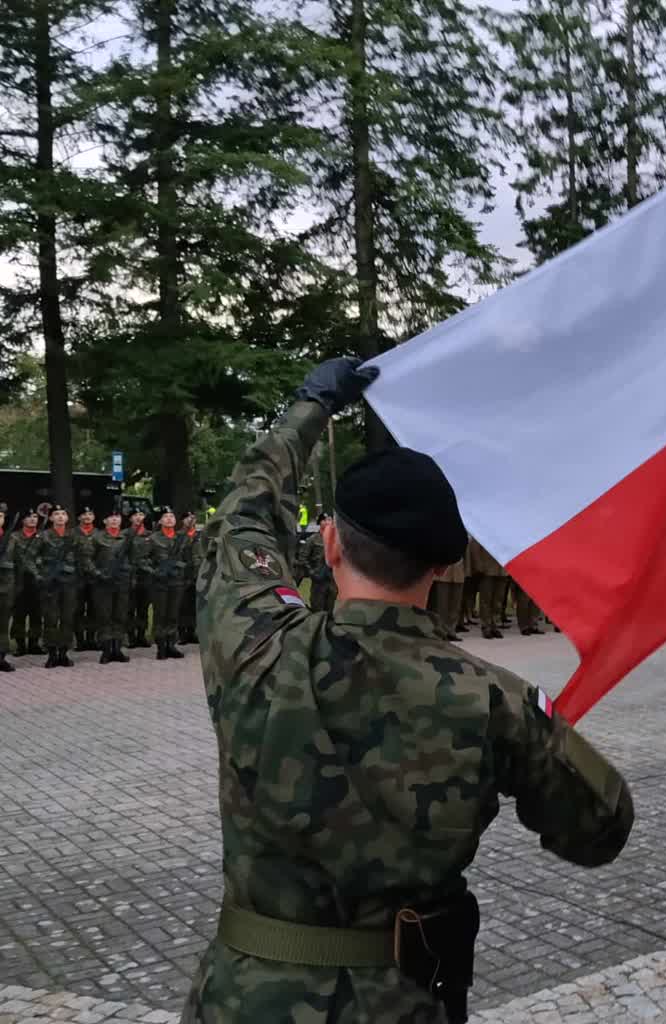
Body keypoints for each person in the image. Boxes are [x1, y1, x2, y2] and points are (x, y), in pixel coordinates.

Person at [183, 358, 633, 1023]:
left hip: (245, 1002)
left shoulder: (255, 646)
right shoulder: (491, 701)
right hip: (401, 1004)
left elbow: (244, 517)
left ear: (330, 543)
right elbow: (599, 830)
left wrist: (311, 406)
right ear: (447, 563)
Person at [34, 505, 81, 667]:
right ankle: (52, 653)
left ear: (67, 518)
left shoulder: (74, 536)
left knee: (67, 618)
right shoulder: (44, 535)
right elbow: (33, 556)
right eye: (56, 514)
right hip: (50, 583)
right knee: (51, 618)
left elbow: (83, 557)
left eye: (63, 514)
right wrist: (40, 573)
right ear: (51, 518)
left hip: (69, 582)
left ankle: (64, 652)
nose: (60, 517)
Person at [85, 509, 133, 664]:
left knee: (120, 615)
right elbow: (87, 559)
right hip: (103, 583)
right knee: (104, 616)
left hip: (122, 582)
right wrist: (98, 574)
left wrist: (129, 573)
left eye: (117, 517)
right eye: (110, 517)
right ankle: (106, 650)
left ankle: (117, 649)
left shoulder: (127, 537)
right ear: (104, 521)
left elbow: (134, 559)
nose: (114, 520)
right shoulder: (96, 538)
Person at [145, 508, 188, 660]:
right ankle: (161, 647)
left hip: (176, 581)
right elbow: (143, 559)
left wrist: (180, 566)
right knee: (160, 614)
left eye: (172, 516)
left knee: (173, 614)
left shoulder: (181, 538)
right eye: (166, 517)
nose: (169, 519)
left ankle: (171, 645)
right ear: (160, 521)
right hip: (160, 582)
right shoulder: (153, 539)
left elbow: (188, 558)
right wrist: (154, 571)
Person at [11, 509, 44, 656]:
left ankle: (34, 643)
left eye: (35, 516)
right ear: (23, 520)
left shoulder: (43, 536)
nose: (32, 519)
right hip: (19, 579)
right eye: (29, 517)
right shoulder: (14, 537)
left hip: (37, 579)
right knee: (19, 614)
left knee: (36, 613)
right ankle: (20, 645)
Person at [300, 514, 337, 613]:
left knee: (330, 610)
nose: (327, 522)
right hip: (318, 580)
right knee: (317, 610)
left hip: (332, 580)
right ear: (319, 523)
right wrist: (312, 573)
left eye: (329, 520)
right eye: (324, 520)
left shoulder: (335, 540)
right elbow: (303, 558)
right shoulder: (313, 539)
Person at [74, 507, 100, 650]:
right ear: (79, 518)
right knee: (77, 609)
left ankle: (91, 639)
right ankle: (79, 640)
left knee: (94, 608)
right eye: (84, 514)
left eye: (90, 514)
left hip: (95, 577)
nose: (87, 516)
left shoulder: (99, 534)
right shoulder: (72, 533)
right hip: (77, 577)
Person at [126, 509, 153, 647]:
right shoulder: (125, 534)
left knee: (143, 608)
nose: (138, 517)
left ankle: (141, 635)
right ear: (130, 519)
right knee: (130, 608)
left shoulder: (150, 535)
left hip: (146, 575)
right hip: (130, 575)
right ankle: (130, 636)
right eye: (135, 515)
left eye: (141, 515)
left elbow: (154, 555)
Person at [180, 512, 203, 644]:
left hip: (197, 574)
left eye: (193, 517)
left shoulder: (200, 536)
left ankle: (192, 631)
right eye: (188, 517)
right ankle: (182, 633)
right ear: (183, 521)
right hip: (183, 574)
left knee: (194, 605)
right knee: (183, 605)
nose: (191, 520)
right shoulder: (179, 536)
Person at [0, 508, 17, 672]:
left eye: (0, 516)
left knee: (3, 623)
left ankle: (1, 657)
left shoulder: (11, 538)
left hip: (6, 586)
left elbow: (18, 562)